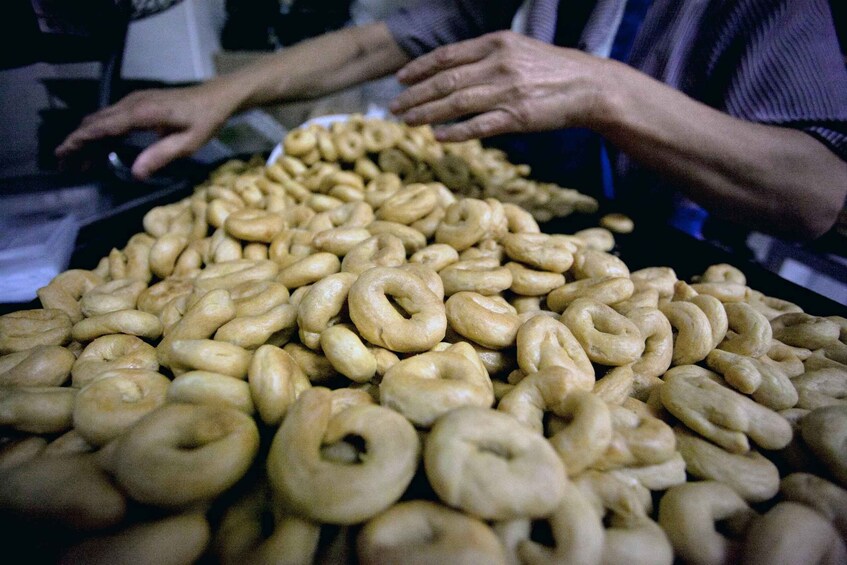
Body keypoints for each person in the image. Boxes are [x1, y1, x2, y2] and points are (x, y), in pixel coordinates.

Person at [55, 0, 847, 241]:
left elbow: (817, 190)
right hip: (507, 229)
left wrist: (607, 91)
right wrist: (217, 95)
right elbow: (377, 41)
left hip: (666, 256)